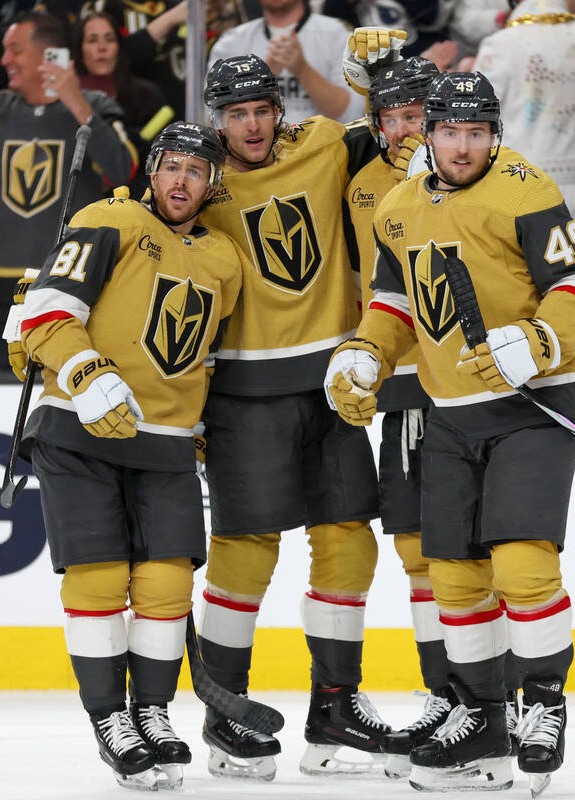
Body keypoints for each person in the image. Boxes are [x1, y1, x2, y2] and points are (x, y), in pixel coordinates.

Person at [324, 71, 575, 792]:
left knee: (520, 564)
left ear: (495, 135)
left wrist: (540, 339)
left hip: (534, 404)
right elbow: (393, 300)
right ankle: (482, 717)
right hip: (447, 408)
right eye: (449, 132)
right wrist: (366, 350)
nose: (462, 146)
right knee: (453, 574)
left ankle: (541, 705)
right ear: (429, 135)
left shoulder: (526, 189)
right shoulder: (398, 207)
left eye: (476, 133)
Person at [14, 122, 242, 790]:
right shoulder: (106, 217)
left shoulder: (225, 259)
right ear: (152, 168)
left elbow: (208, 355)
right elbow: (48, 311)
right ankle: (111, 717)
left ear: (212, 183)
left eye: (197, 172)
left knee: (168, 583)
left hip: (167, 442)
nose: (182, 182)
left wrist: (200, 429)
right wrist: (82, 372)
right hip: (78, 432)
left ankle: (153, 712)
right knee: (99, 576)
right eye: (172, 167)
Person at [192, 51, 396, 781]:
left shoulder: (319, 145)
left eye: (260, 110)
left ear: (279, 108)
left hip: (330, 381)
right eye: (235, 114)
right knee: (246, 551)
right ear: (217, 118)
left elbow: (398, 126)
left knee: (349, 540)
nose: (250, 126)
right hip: (242, 393)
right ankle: (227, 713)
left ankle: (334, 708)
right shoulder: (195, 177)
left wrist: (380, 70)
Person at [340, 54, 458, 778]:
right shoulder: (357, 183)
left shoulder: (466, 176)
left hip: (454, 381)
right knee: (418, 550)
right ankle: (448, 693)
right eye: (394, 117)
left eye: (420, 116)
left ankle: (471, 693)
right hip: (403, 383)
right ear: (376, 123)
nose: (406, 130)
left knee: (460, 548)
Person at [0, 10, 137, 371]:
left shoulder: (95, 107)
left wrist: (75, 101)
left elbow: (124, 170)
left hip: (70, 289)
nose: (4, 60)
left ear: (47, 54)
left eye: (14, 50)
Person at [473, 0, 575, 235]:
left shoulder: (499, 44)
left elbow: (475, 118)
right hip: (574, 186)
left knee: (515, 271)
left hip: (514, 184)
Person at [207, 0, 365, 123]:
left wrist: (303, 70)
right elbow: (214, 117)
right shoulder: (231, 43)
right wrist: (263, 77)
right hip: (254, 159)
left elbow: (352, 115)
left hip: (321, 153)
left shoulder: (338, 34)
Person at [73, 10, 168, 198]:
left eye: (109, 39)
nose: (102, 47)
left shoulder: (147, 95)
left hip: (136, 198)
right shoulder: (65, 97)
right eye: (92, 40)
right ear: (79, 48)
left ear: (119, 46)